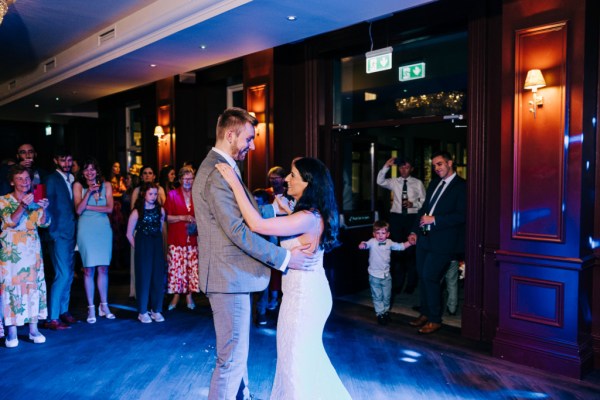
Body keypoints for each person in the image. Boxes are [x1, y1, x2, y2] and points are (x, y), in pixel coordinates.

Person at [192, 107, 317, 400]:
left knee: (235, 355)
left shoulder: (222, 166)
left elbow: (237, 214)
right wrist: (284, 258)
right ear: (231, 134)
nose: (252, 145)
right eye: (248, 138)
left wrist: (272, 209)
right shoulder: (215, 172)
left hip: (231, 276)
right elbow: (237, 230)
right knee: (230, 361)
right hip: (228, 278)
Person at [216, 156, 351, 399]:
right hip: (308, 293)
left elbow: (257, 225)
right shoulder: (309, 213)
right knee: (304, 360)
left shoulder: (307, 217)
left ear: (307, 184)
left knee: (294, 363)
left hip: (303, 299)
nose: (286, 179)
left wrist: (234, 183)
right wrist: (287, 207)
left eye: (292, 175)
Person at [408, 150, 466, 335]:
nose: (436, 168)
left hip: (444, 242)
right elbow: (424, 209)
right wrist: (414, 231)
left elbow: (462, 215)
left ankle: (434, 319)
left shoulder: (462, 186)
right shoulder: (433, 183)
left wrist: (436, 220)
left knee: (430, 276)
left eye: (440, 164)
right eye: (434, 165)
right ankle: (425, 313)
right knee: (423, 277)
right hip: (424, 238)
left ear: (450, 163)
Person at [0, 165, 50, 347]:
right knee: (12, 289)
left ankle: (33, 329)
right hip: (11, 256)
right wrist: (22, 205)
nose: (24, 182)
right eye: (20, 179)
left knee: (33, 288)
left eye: (27, 179)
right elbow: (9, 221)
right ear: (12, 182)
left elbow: (44, 224)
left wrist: (44, 209)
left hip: (32, 254)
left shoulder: (35, 201)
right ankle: (11, 332)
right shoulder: (3, 201)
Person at [73, 158, 115, 324]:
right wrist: (89, 193)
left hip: (103, 229)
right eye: (86, 169)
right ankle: (91, 307)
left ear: (97, 171)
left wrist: (87, 207)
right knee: (89, 270)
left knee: (103, 269)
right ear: (82, 172)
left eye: (92, 169)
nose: (89, 172)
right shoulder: (78, 186)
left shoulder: (108, 186)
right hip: (86, 230)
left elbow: (110, 208)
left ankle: (104, 306)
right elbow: (78, 210)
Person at [377, 157, 426, 295]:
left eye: (407, 167)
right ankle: (398, 284)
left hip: (412, 218)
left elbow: (424, 202)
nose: (404, 170)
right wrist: (386, 165)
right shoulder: (394, 182)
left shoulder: (418, 183)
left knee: (411, 251)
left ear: (412, 169)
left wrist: (413, 204)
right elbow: (379, 181)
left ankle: (411, 283)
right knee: (397, 252)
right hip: (396, 218)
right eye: (401, 167)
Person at [43, 148, 77, 330]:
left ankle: (63, 311)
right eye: (63, 160)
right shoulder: (51, 179)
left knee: (69, 274)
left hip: (71, 233)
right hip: (58, 234)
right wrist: (53, 233)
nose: (67, 164)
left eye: (69, 160)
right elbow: (45, 206)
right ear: (56, 160)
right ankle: (52, 317)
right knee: (62, 274)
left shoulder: (71, 179)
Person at [126, 182, 166, 323]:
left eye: (155, 194)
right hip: (143, 246)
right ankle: (142, 311)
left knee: (157, 278)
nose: (154, 196)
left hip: (156, 246)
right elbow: (129, 234)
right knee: (143, 279)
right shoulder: (137, 211)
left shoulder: (160, 210)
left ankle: (156, 310)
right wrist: (138, 248)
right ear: (144, 194)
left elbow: (160, 228)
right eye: (151, 193)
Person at [359, 220, 412, 325]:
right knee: (377, 296)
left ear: (387, 234)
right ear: (374, 234)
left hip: (386, 275)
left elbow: (400, 246)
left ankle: (385, 311)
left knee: (387, 296)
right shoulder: (372, 242)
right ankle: (380, 314)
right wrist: (362, 244)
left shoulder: (389, 242)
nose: (380, 236)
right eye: (377, 233)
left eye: (383, 233)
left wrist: (410, 243)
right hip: (374, 276)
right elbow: (365, 244)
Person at [165, 166, 199, 311]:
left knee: (191, 269)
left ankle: (189, 296)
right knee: (176, 269)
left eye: (190, 179)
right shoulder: (172, 195)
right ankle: (176, 296)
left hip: (192, 239)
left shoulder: (197, 195)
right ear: (179, 180)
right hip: (176, 238)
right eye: (185, 179)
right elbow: (166, 217)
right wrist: (182, 217)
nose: (188, 181)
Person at [129, 166, 165, 298]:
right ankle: (137, 292)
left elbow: (162, 208)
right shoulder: (137, 191)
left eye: (150, 173)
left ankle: (156, 293)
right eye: (145, 173)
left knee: (156, 265)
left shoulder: (159, 190)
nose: (147, 175)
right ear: (141, 176)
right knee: (140, 265)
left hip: (155, 230)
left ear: (154, 175)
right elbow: (134, 210)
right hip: (141, 230)